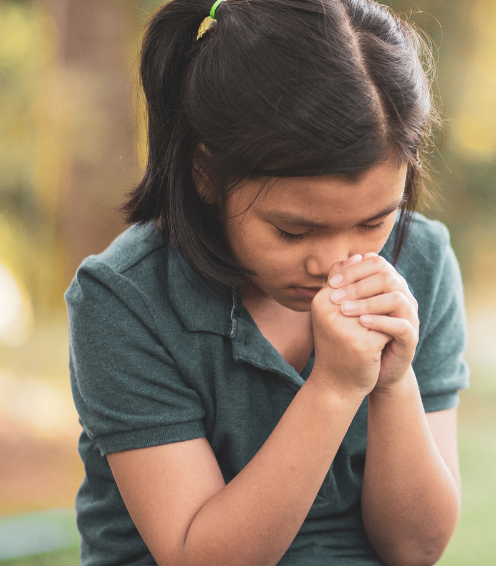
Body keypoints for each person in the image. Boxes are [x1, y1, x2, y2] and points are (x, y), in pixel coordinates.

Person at [65, 0, 468, 564]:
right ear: (206, 174)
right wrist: (331, 388)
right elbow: (197, 555)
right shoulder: (126, 301)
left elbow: (415, 549)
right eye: (294, 230)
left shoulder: (419, 261)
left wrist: (393, 384)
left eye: (374, 221)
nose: (334, 262)